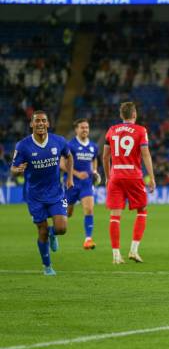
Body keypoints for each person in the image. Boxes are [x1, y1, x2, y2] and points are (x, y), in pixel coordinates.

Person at [11, 110, 74, 275]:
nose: (40, 123)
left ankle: (53, 234)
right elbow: (13, 168)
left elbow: (69, 156)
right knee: (41, 231)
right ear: (31, 124)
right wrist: (18, 169)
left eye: (43, 120)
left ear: (48, 124)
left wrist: (69, 177)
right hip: (35, 196)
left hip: (56, 193)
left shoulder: (58, 141)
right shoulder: (23, 145)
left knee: (62, 228)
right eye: (37, 121)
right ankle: (47, 266)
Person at [102, 102, 156, 264]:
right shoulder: (141, 130)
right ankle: (133, 250)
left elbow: (105, 156)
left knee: (115, 216)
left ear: (121, 116)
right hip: (133, 175)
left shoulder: (111, 130)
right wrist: (152, 177)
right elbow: (145, 154)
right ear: (134, 115)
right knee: (142, 210)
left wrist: (107, 177)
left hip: (116, 175)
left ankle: (116, 255)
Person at [61, 119, 100, 250]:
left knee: (89, 209)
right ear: (76, 129)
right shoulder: (69, 145)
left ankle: (88, 239)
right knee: (67, 213)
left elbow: (94, 160)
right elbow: (62, 164)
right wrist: (77, 174)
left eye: (87, 128)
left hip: (86, 184)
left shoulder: (93, 146)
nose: (85, 130)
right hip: (70, 183)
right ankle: (53, 229)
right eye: (82, 127)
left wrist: (94, 171)